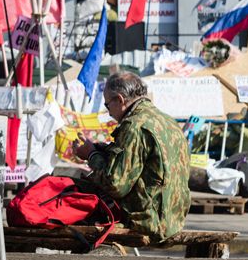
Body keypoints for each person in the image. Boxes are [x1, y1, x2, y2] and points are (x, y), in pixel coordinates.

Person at [74, 72, 190, 242]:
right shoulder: (167, 121)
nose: (109, 113)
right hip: (174, 218)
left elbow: (115, 184)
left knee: (73, 190)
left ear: (120, 100)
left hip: (149, 221)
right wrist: (102, 150)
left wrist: (91, 155)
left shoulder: (134, 126)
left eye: (107, 105)